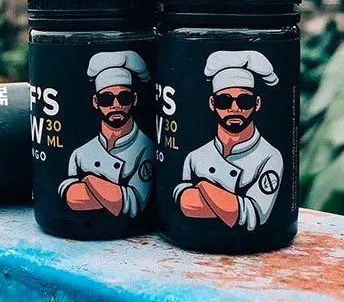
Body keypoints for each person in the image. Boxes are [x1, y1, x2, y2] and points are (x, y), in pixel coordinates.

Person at [173, 50, 284, 231]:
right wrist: (232, 203)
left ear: (257, 104)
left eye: (244, 101)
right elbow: (184, 204)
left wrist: (203, 185)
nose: (234, 108)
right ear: (212, 103)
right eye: (224, 101)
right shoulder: (195, 157)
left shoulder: (270, 157)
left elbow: (255, 214)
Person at [58, 51, 154, 217]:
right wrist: (113, 194)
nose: (116, 105)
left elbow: (135, 202)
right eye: (106, 99)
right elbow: (70, 197)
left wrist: (89, 180)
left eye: (124, 97)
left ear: (134, 99)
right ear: (96, 102)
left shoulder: (146, 148)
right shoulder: (80, 154)